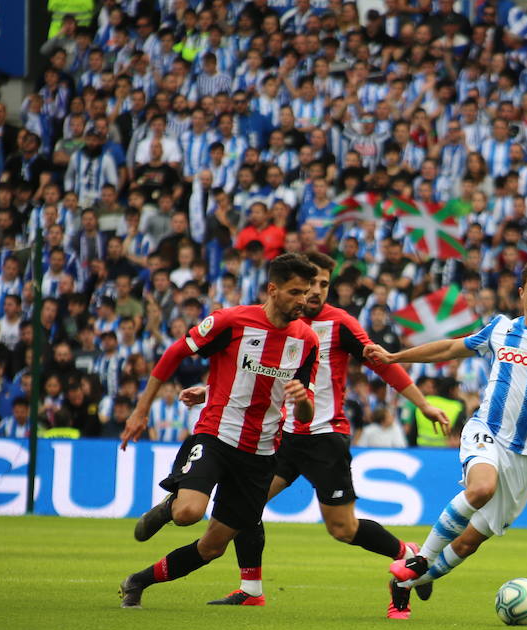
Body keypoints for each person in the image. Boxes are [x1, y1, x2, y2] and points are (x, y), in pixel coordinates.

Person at [180, 251, 451, 607]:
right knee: (247, 507)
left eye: (325, 284)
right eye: (312, 285)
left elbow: (381, 364)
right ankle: (251, 590)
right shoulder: (274, 323)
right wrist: (209, 390)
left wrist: (423, 403)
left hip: (324, 437)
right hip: (281, 437)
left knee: (343, 529)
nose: (317, 292)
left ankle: (406, 552)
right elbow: (252, 373)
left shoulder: (339, 324)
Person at [364, 261, 527, 619]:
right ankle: (420, 559)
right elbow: (448, 349)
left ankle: (406, 584)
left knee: (469, 542)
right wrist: (396, 356)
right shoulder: (500, 330)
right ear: (521, 293)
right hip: (486, 431)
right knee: (481, 489)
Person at [116, 255, 321, 608]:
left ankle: (137, 582)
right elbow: (174, 354)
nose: (303, 300)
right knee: (188, 513)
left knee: (212, 547)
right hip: (217, 435)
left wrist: (302, 400)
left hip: (261, 453)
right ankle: (170, 508)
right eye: (295, 292)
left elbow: (305, 411)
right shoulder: (231, 321)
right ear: (273, 290)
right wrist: (140, 410)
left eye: (306, 292)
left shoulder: (306, 340)